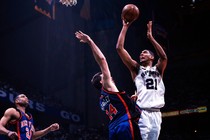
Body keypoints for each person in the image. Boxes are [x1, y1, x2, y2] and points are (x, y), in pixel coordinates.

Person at [75, 30, 142, 140]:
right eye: (104, 76)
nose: (109, 77)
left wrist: (130, 101)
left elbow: (119, 105)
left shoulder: (102, 99)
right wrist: (90, 41)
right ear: (102, 81)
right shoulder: (107, 86)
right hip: (124, 124)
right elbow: (102, 59)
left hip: (113, 129)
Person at [116, 20, 168, 140]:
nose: (141, 54)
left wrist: (151, 38)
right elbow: (119, 48)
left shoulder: (158, 70)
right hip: (142, 112)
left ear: (152, 57)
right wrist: (125, 27)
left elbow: (164, 57)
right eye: (140, 53)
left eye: (144, 52)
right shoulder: (136, 69)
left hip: (156, 113)